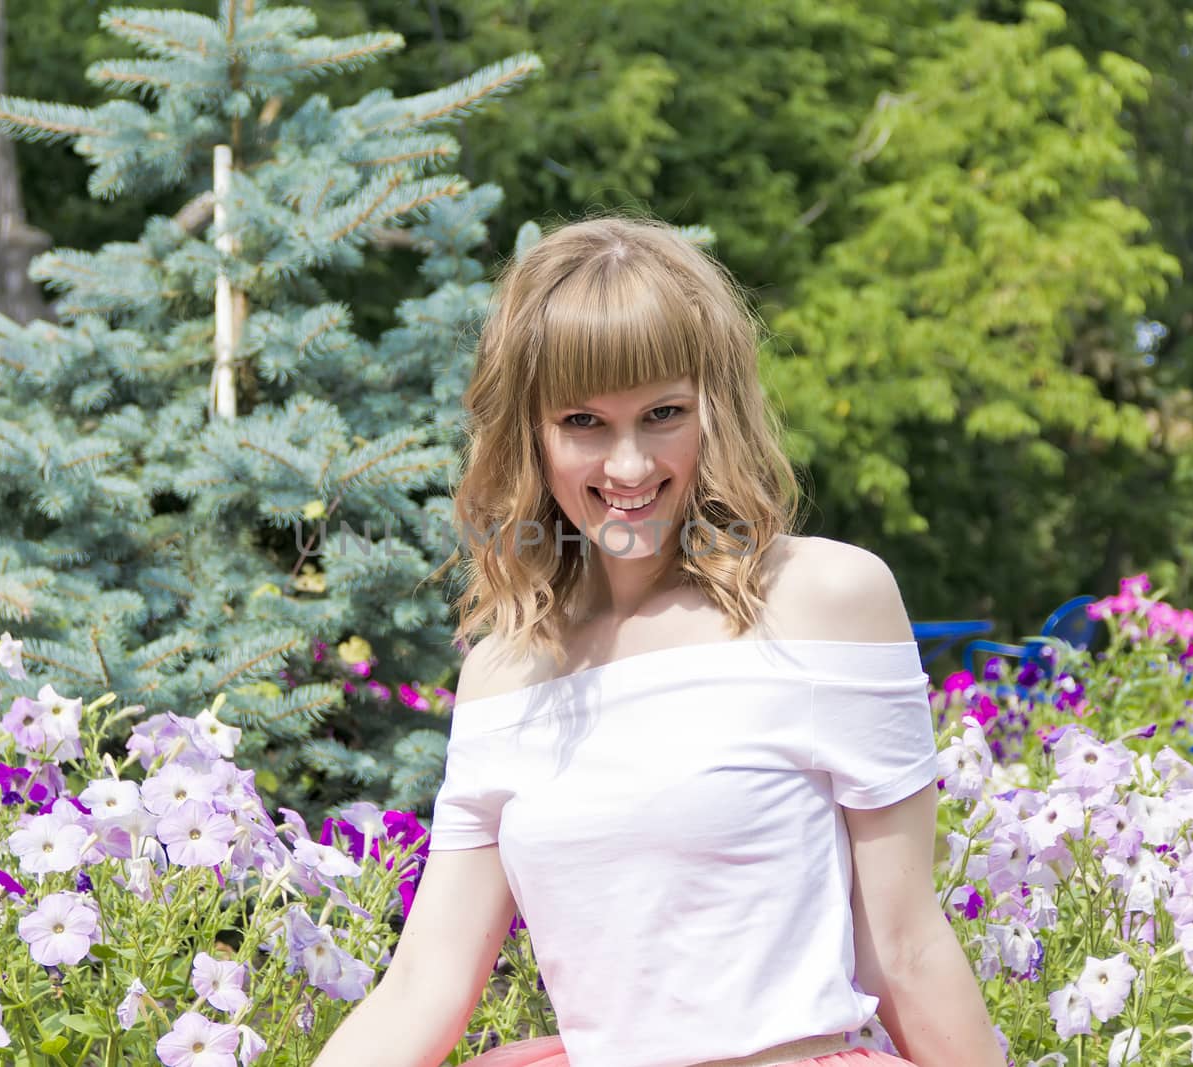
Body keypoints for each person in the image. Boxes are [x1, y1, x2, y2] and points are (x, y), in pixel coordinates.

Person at [311, 214, 1005, 1067]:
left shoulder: (826, 602)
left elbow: (905, 949)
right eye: (585, 422)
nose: (630, 466)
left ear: (716, 409)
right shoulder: (505, 670)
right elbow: (422, 983)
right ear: (532, 432)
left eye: (662, 413)